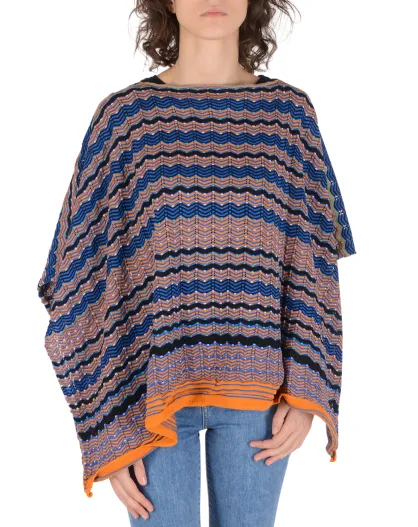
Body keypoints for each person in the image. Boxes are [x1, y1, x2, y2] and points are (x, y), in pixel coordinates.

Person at [36, 1, 356, 525]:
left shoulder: (289, 115)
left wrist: (307, 390)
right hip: (151, 392)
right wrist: (109, 427)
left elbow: (312, 260)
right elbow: (83, 270)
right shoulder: (126, 119)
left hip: (259, 387)